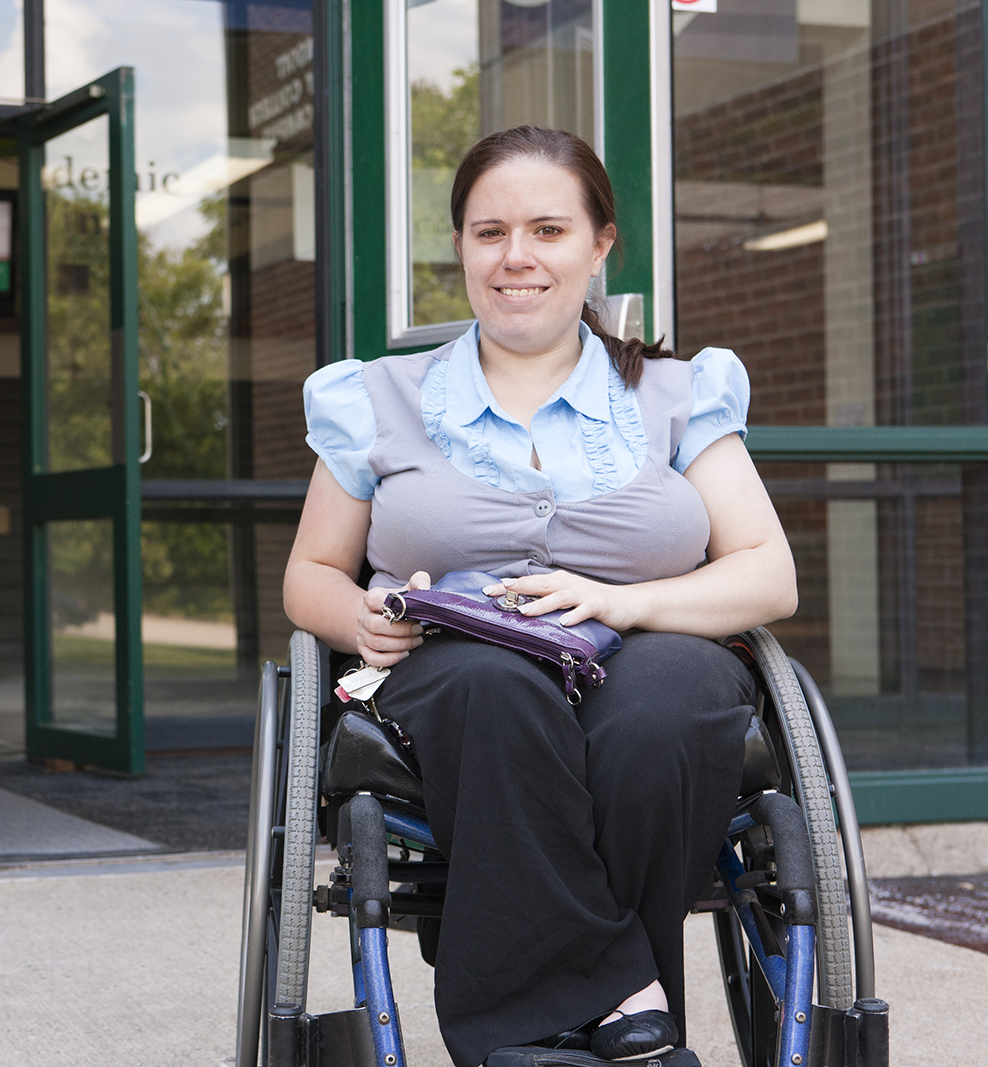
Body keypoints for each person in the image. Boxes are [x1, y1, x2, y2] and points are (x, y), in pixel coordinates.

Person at [282, 126, 797, 1066]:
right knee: (497, 689)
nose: (516, 257)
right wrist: (356, 614)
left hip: (649, 647)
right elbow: (309, 574)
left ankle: (554, 1018)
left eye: (548, 230)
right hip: (454, 669)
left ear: (600, 245)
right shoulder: (377, 397)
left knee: (668, 707)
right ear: (462, 250)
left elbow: (768, 571)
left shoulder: (678, 394)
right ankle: (607, 1008)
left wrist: (623, 602)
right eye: (489, 233)